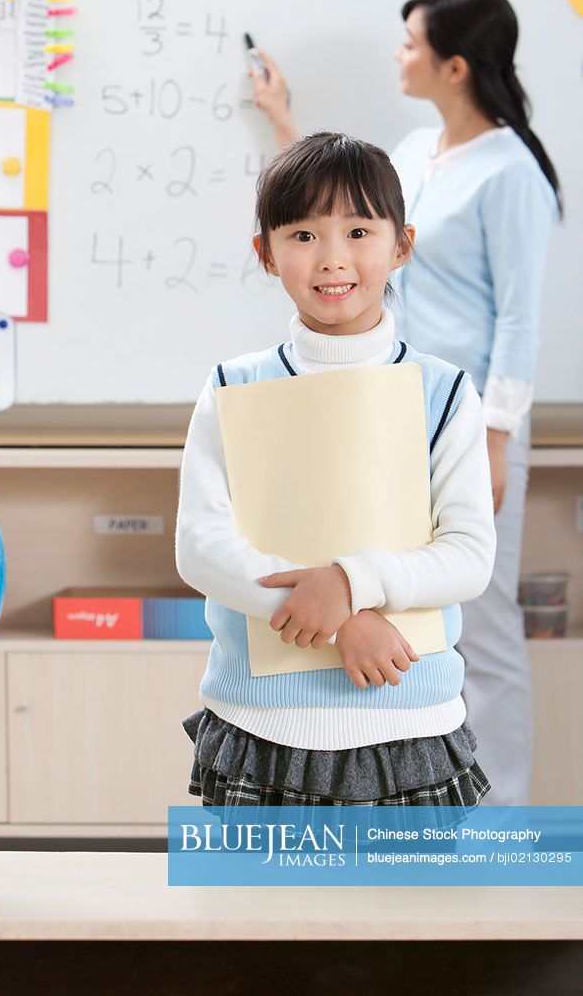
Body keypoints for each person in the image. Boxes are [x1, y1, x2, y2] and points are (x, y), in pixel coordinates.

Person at [251, 0, 560, 805]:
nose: (399, 54)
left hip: (466, 424)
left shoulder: (512, 172)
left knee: (480, 625)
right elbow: (352, 225)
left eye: (411, 43)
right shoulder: (420, 148)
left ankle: (499, 813)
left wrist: (495, 438)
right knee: (394, 596)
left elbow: (523, 321)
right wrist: (284, 124)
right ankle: (416, 801)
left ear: (454, 66)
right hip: (383, 410)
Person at [176, 132, 496, 808]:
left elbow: (468, 554)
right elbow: (201, 548)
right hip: (261, 726)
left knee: (416, 918)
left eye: (358, 230)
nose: (333, 259)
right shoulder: (233, 386)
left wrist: (352, 582)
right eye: (302, 235)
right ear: (265, 252)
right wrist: (340, 616)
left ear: (401, 244)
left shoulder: (443, 391)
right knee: (252, 919)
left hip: (411, 724)